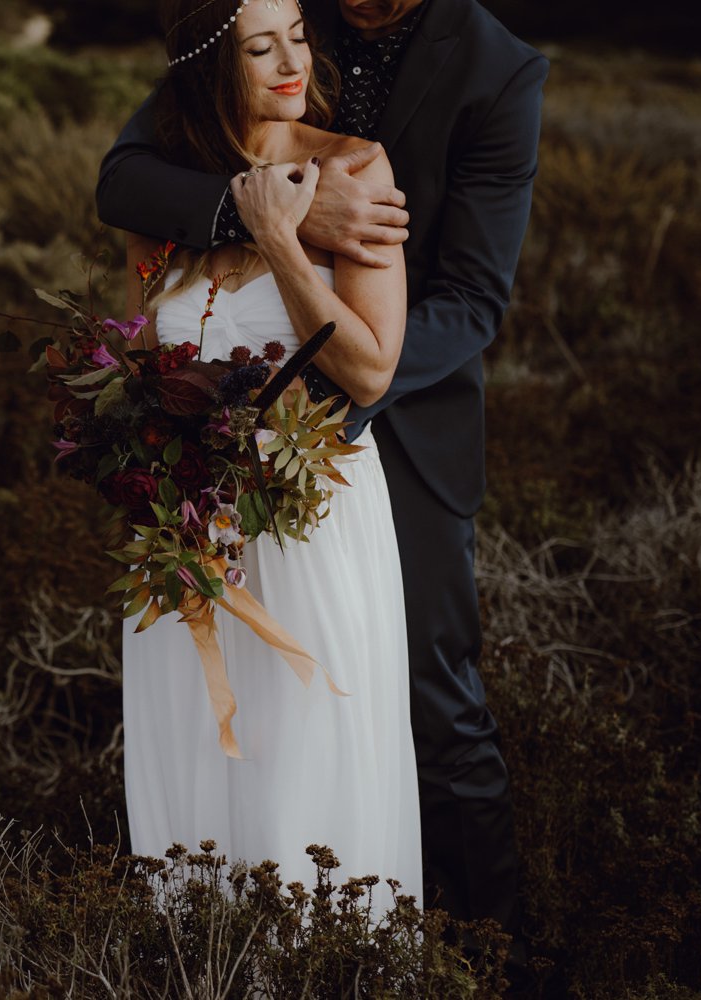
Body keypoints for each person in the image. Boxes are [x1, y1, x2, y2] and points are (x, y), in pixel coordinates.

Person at [98, 0, 548, 983]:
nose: (293, 52)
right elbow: (128, 172)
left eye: (294, 40)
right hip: (225, 443)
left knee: (434, 701)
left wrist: (312, 384)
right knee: (223, 712)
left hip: (390, 432)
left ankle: (491, 961)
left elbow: (471, 300)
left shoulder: (497, 71)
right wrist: (264, 209)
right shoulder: (265, 12)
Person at [118, 0, 421, 915]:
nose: (293, 59)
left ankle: (330, 957)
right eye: (261, 45)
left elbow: (371, 369)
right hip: (193, 530)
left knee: (304, 752)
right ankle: (201, 955)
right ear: (213, 65)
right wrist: (146, 443)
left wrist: (282, 239)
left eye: (298, 33)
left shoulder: (355, 169)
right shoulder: (160, 196)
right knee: (197, 753)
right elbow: (143, 350)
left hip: (311, 521)